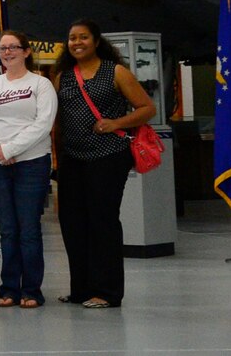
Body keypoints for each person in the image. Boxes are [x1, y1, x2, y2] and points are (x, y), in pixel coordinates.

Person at [53, 20, 156, 310]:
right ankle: (80, 289)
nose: (76, 42)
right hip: (72, 159)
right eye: (72, 38)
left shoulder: (116, 72)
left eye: (83, 37)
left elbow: (148, 108)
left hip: (108, 157)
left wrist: (117, 123)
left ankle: (107, 292)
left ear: (96, 41)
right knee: (72, 223)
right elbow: (58, 119)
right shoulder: (63, 76)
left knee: (103, 222)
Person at [0, 29, 57, 309]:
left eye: (14, 47)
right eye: (4, 48)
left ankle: (32, 290)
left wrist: (11, 149)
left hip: (31, 164)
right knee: (7, 229)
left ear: (26, 51)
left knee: (28, 228)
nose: (8, 52)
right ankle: (9, 288)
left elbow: (42, 124)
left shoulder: (40, 85)